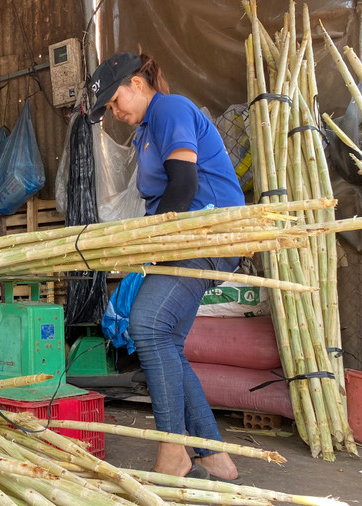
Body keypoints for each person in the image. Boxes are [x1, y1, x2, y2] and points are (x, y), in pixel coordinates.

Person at [88, 52, 244, 482]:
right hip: (180, 237)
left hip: (206, 231)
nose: (115, 112)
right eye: (109, 110)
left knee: (147, 324)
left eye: (116, 100)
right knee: (165, 340)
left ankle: (173, 449)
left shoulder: (170, 109)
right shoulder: (145, 131)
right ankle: (213, 455)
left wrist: (152, 247)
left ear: (138, 83)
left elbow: (184, 184)